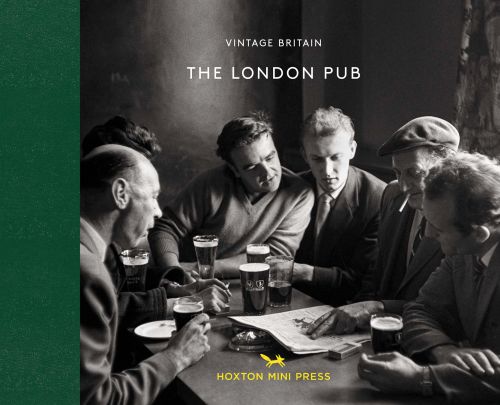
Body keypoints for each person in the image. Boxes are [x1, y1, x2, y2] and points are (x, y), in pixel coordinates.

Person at [358, 152, 500, 403]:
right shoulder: (463, 250)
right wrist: (443, 350)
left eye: (439, 228)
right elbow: (420, 309)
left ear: (479, 234)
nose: (428, 235)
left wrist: (423, 378)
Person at [80, 145, 212, 404]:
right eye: (153, 196)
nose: (159, 210)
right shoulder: (88, 274)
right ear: (120, 193)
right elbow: (99, 400)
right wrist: (176, 357)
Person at [307, 116, 459, 337]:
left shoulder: (461, 219)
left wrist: (376, 309)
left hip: (429, 336)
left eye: (414, 173)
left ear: (446, 168)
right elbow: (376, 275)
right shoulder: (393, 195)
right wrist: (351, 314)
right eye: (398, 173)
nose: (405, 186)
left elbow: (448, 309)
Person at [148, 112, 315, 278]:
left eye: (270, 157)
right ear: (234, 169)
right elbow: (166, 228)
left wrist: (203, 268)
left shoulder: (299, 194)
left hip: (249, 283)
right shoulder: (210, 184)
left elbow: (275, 258)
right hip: (189, 282)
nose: (267, 172)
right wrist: (174, 272)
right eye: (251, 167)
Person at [293, 106, 386, 306]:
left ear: (352, 150)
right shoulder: (291, 190)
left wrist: (302, 272)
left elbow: (360, 281)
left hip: (344, 307)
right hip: (291, 302)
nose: (327, 171)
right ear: (304, 155)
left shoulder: (378, 198)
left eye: (336, 157)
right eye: (317, 159)